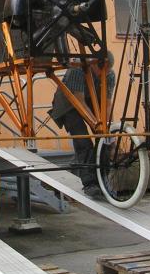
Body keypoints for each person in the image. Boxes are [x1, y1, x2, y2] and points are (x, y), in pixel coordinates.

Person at [49, 51, 116, 198]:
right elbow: (79, 101)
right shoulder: (77, 69)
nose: (102, 76)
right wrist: (95, 123)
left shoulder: (110, 75)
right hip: (69, 103)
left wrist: (109, 128)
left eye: (106, 72)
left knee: (104, 139)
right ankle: (90, 184)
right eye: (100, 72)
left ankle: (103, 180)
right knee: (82, 140)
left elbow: (107, 104)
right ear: (94, 65)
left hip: (91, 100)